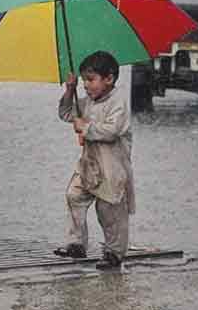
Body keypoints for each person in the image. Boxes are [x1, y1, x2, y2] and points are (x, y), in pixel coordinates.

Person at [54, 51, 135, 270]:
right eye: (84, 81)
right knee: (74, 195)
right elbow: (65, 113)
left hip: (111, 167)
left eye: (91, 80)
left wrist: (86, 127)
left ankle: (114, 252)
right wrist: (70, 90)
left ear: (109, 78)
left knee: (109, 211)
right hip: (89, 164)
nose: (86, 85)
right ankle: (76, 243)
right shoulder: (87, 101)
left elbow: (111, 131)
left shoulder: (118, 103)